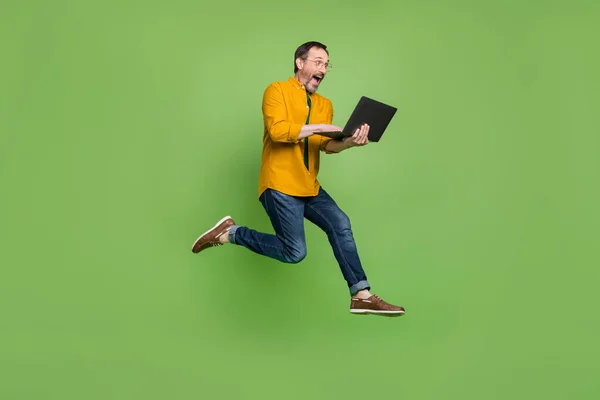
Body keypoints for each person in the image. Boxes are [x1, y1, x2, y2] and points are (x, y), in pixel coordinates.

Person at [192, 41, 405, 317]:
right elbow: (279, 131)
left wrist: (351, 141)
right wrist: (320, 127)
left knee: (340, 223)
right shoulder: (276, 90)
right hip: (279, 184)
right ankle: (230, 233)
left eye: (327, 64)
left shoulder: (324, 104)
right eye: (318, 62)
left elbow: (325, 146)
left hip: (308, 186)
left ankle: (361, 295)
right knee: (295, 252)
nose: (323, 69)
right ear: (299, 63)